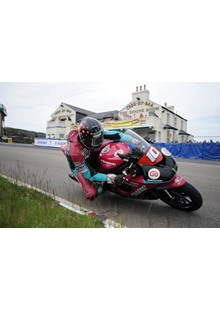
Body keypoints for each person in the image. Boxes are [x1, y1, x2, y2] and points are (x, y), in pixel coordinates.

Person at [62, 117, 137, 200]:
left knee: (113, 141)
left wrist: (134, 140)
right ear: (85, 139)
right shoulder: (75, 152)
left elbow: (117, 134)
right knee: (95, 192)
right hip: (78, 163)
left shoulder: (95, 133)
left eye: (99, 138)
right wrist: (110, 178)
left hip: (89, 150)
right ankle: (85, 181)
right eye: (95, 140)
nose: (99, 141)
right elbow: (89, 175)